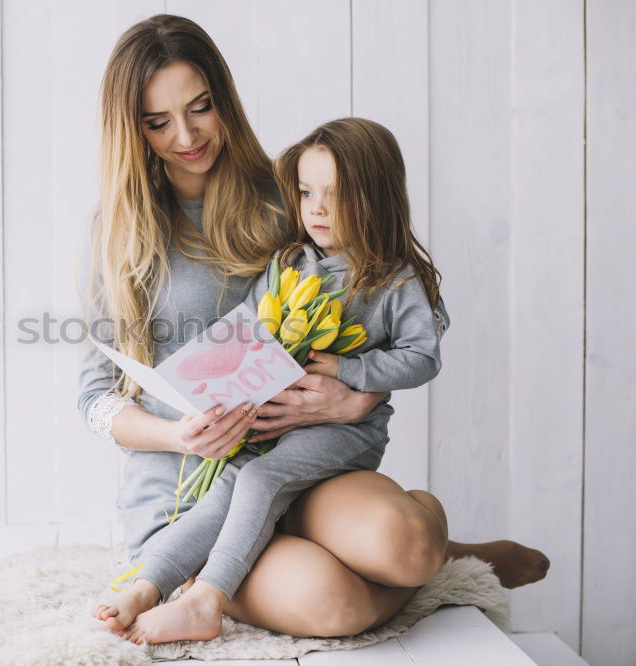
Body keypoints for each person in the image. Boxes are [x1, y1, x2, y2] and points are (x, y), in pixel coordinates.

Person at [80, 14, 548, 645]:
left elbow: (404, 307)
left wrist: (359, 392)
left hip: (309, 465)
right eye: (157, 121)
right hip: (192, 493)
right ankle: (443, 562)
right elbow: (94, 397)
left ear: (225, 98)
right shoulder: (119, 232)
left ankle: (432, 543)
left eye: (201, 107)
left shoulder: (296, 194)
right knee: (335, 603)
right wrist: (179, 434)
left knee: (406, 545)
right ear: (128, 127)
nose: (186, 135)